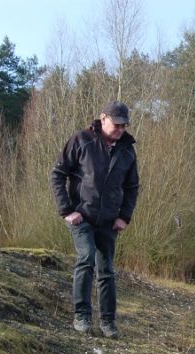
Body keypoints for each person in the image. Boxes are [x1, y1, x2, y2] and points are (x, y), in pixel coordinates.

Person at [49, 101, 139, 338]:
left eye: (124, 125)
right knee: (86, 258)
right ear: (103, 118)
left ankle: (108, 323)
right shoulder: (81, 140)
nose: (120, 129)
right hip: (82, 217)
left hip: (110, 221)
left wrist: (124, 217)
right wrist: (67, 210)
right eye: (117, 124)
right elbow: (58, 175)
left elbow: (132, 187)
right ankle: (82, 316)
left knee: (107, 270)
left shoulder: (128, 151)